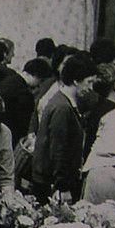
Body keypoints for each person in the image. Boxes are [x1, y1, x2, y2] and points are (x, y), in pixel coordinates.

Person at [32, 53, 95, 202]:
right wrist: (62, 187)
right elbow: (58, 149)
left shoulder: (64, 102)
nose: (90, 88)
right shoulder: (62, 107)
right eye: (89, 82)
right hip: (52, 184)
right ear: (75, 81)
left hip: (51, 181)